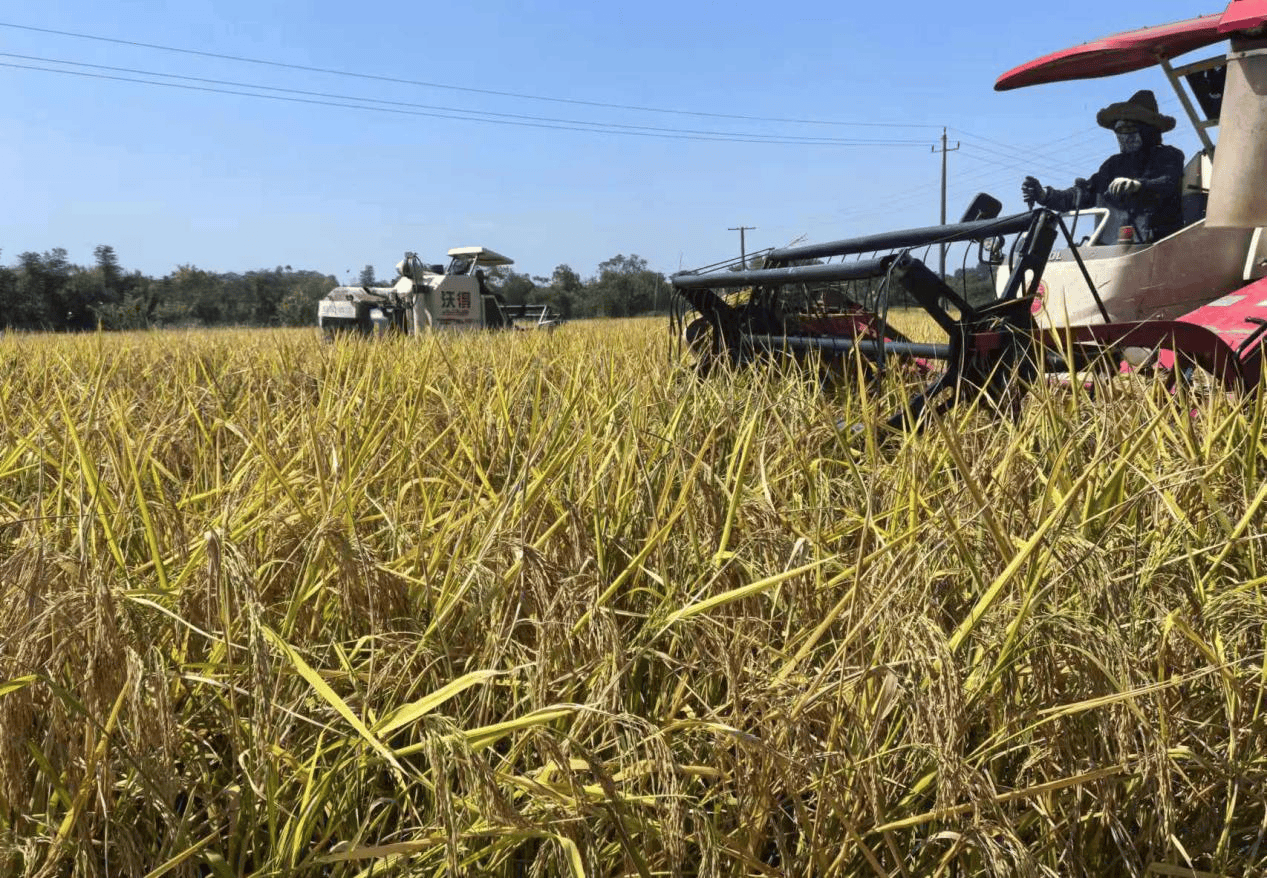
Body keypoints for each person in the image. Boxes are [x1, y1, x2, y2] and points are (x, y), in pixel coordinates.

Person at [1021, 90, 1185, 243]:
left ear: (1148, 130)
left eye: (1130, 128)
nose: (1124, 136)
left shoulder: (1169, 156)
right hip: (1108, 253)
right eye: (1119, 130)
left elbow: (1167, 182)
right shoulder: (1112, 166)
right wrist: (1044, 196)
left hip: (1154, 248)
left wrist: (1138, 185)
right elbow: (1082, 195)